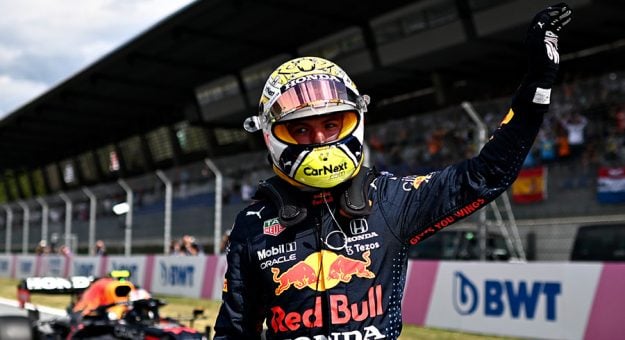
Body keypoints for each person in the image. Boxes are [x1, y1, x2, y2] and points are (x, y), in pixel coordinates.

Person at [214, 4, 572, 339]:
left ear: (354, 120)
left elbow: (485, 176)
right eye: (302, 129)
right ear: (271, 134)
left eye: (331, 124)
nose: (320, 139)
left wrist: (537, 85)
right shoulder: (253, 223)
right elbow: (234, 331)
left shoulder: (387, 198)